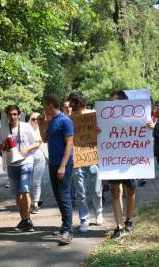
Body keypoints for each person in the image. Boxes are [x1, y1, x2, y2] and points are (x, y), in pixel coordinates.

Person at [38, 95, 74, 245]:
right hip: (53, 163)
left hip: (63, 164)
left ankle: (68, 230)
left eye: (45, 105)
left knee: (64, 195)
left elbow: (69, 144)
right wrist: (41, 124)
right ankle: (65, 224)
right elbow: (45, 139)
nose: (43, 108)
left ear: (51, 104)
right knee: (58, 196)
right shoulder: (51, 120)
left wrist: (63, 166)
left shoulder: (65, 121)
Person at [0, 105, 39, 232]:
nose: (13, 117)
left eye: (15, 114)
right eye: (10, 114)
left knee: (24, 190)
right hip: (11, 163)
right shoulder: (3, 129)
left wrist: (26, 149)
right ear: (7, 115)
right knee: (17, 193)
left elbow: (37, 142)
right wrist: (3, 146)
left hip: (26, 162)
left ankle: (27, 220)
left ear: (19, 115)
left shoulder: (26, 126)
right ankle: (24, 219)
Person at [67, 92, 104, 232]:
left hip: (93, 157)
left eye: (73, 103)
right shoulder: (70, 119)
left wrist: (96, 130)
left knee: (97, 190)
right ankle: (84, 219)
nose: (71, 106)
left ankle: (99, 213)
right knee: (80, 192)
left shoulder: (93, 114)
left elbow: (101, 132)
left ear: (78, 103)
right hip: (77, 158)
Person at [107, 90, 138, 239]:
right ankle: (119, 226)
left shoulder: (134, 117)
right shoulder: (105, 119)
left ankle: (128, 220)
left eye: (115, 102)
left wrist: (149, 126)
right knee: (115, 191)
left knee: (131, 189)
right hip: (113, 160)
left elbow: (143, 135)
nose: (112, 105)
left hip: (129, 161)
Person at [29, 113, 46, 214]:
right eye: (33, 119)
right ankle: (32, 200)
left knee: (36, 182)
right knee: (29, 182)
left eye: (38, 119)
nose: (35, 121)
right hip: (28, 158)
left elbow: (40, 142)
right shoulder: (26, 130)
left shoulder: (42, 130)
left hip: (39, 158)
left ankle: (35, 203)